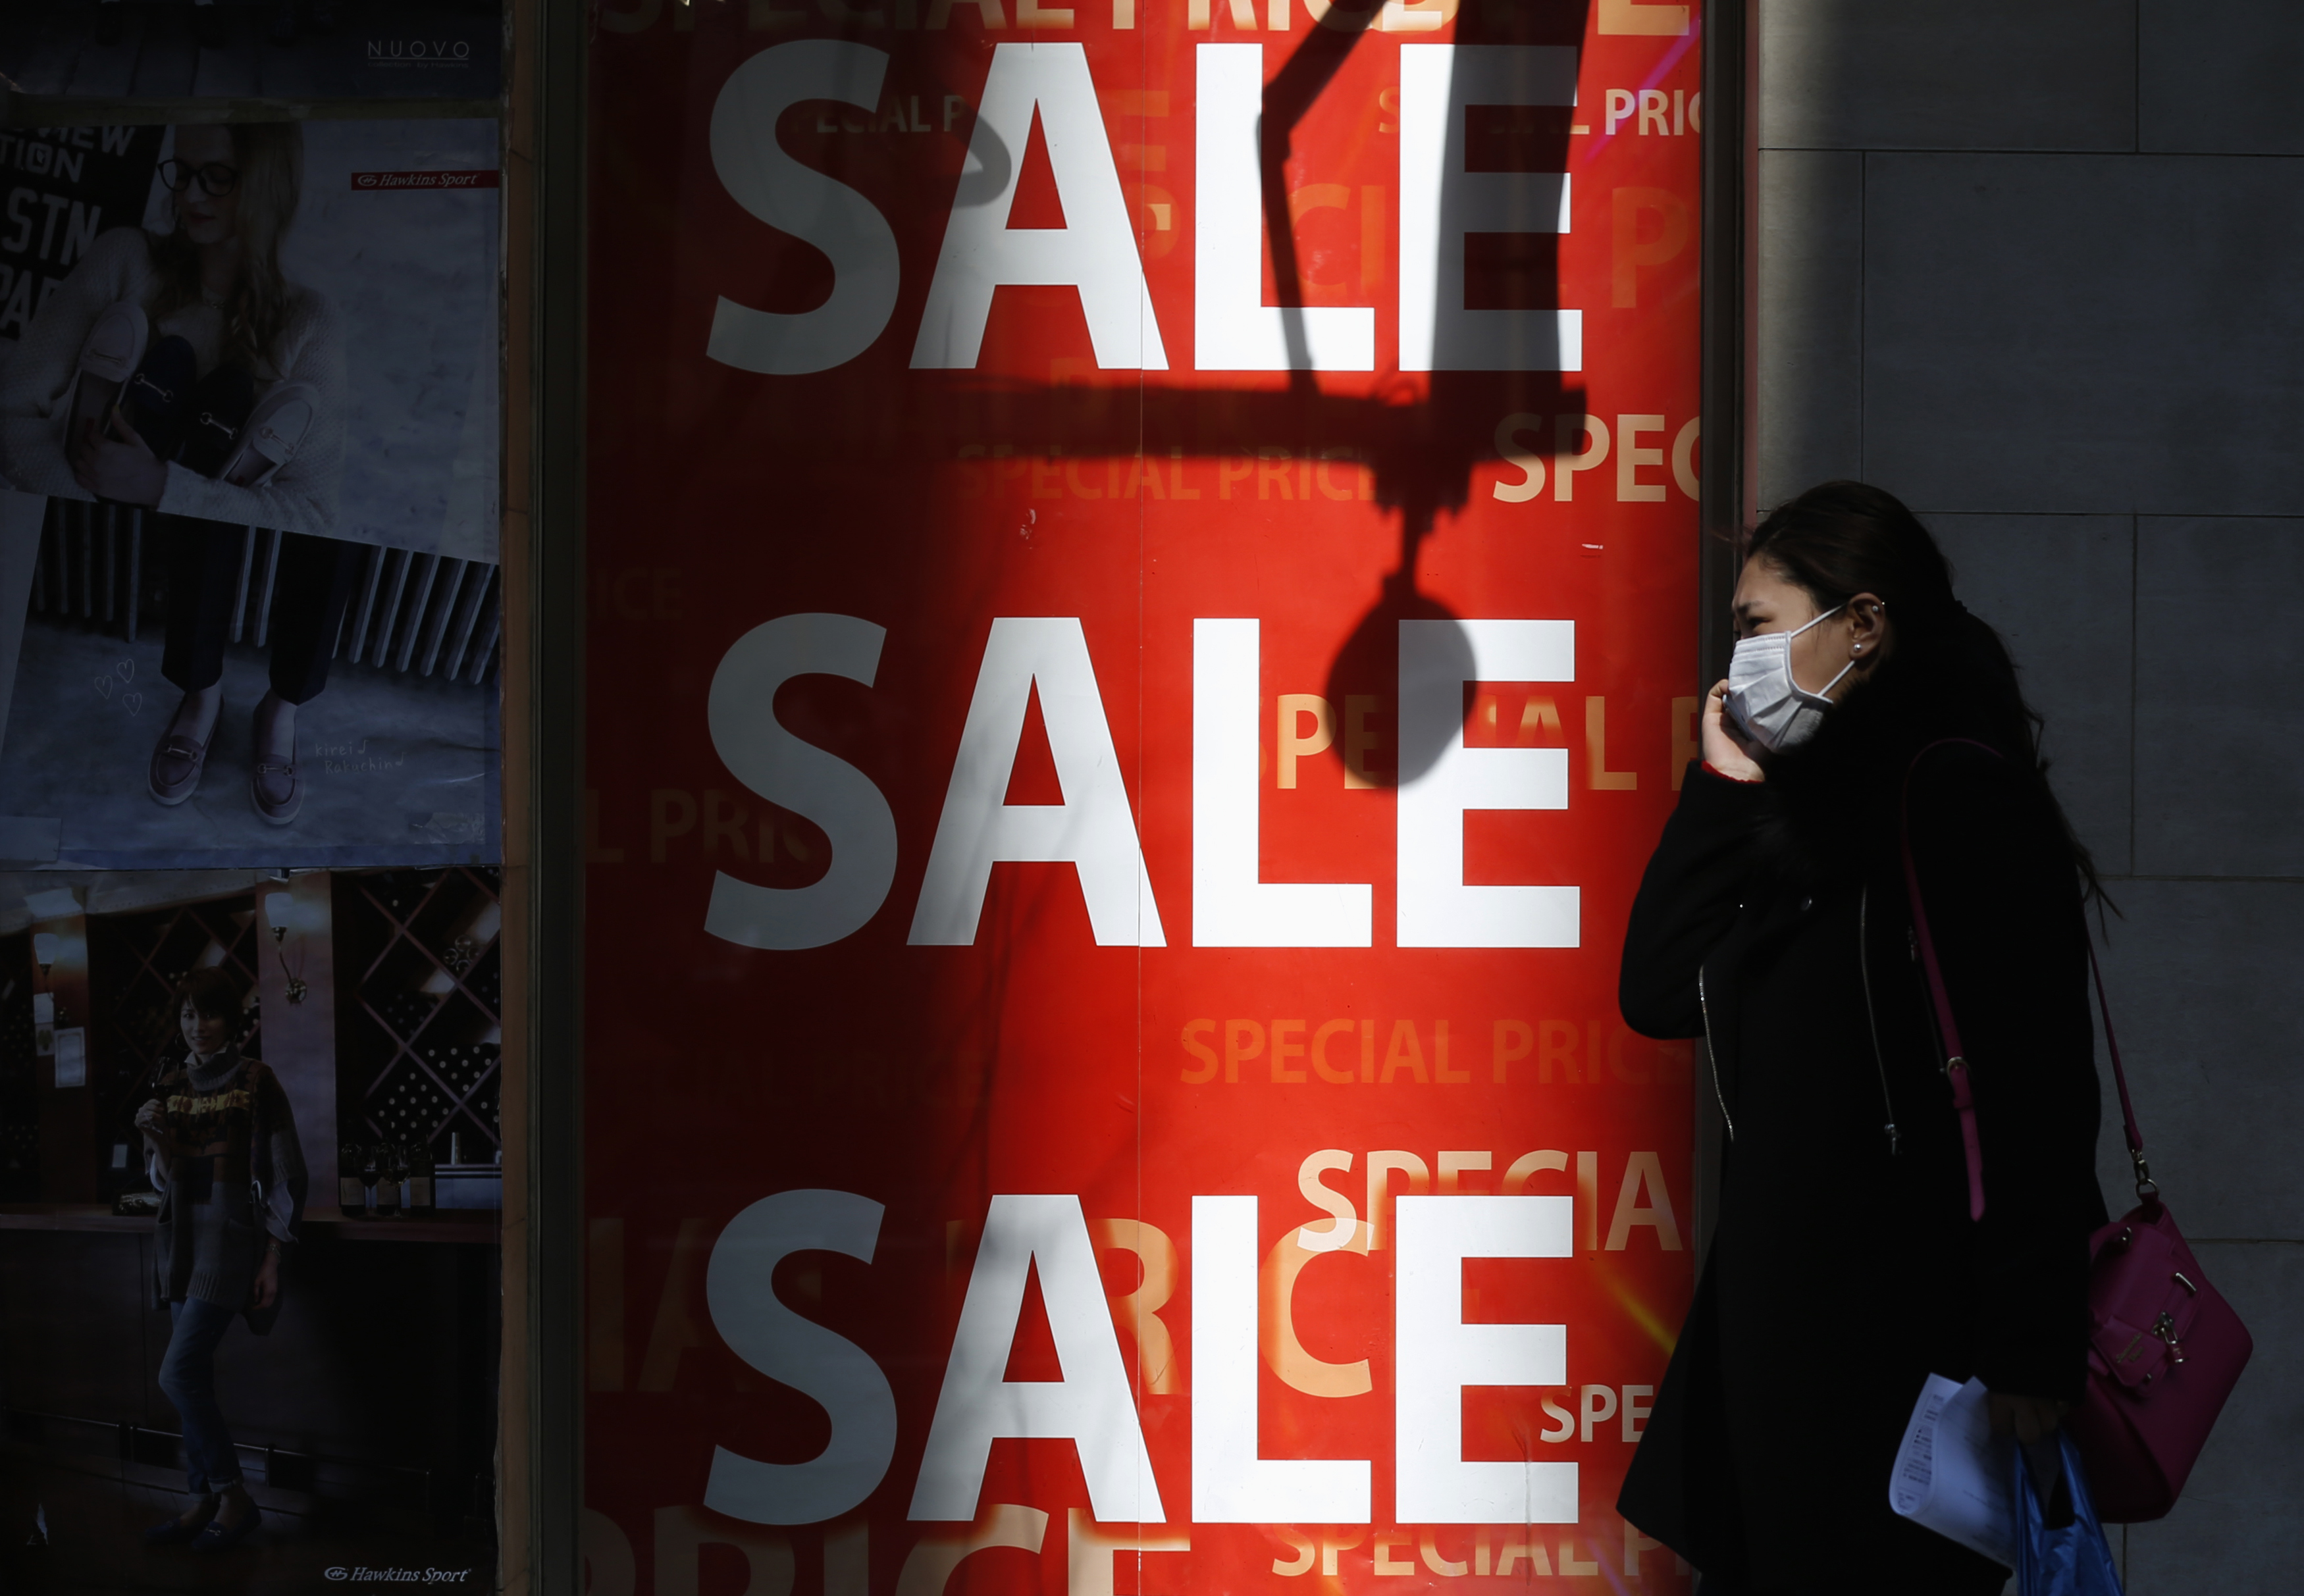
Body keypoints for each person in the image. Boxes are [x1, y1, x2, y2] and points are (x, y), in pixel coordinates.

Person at [1615, 482, 2107, 1593]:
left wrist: (2032, 1342)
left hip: (1909, 1359)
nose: (1736, 656)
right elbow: (1655, 991)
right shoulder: (1794, 825)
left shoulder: (1954, 797)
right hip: (1781, 1351)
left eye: (1756, 624)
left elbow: (2038, 1078)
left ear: (1864, 625)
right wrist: (1723, 788)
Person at [0, 120, 348, 824]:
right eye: (180, 171)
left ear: (265, 185)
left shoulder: (310, 319)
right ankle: (201, 693)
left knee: (321, 537)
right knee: (201, 462)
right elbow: (10, 411)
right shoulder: (126, 257)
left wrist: (166, 487)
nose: (188, 194)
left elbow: (315, 509)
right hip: (105, 483)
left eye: (214, 175)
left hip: (189, 490)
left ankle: (282, 708)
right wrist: (96, 481)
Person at [133, 965, 307, 1554]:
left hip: (229, 1243)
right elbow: (168, 1180)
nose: (196, 1025)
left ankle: (234, 1497)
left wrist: (273, 1256)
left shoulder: (257, 1080)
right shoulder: (173, 1082)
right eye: (187, 1014)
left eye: (207, 1013)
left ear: (231, 1020)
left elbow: (284, 1174)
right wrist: (155, 1139)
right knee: (194, 1378)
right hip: (182, 1242)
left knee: (176, 1372)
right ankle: (203, 1497)